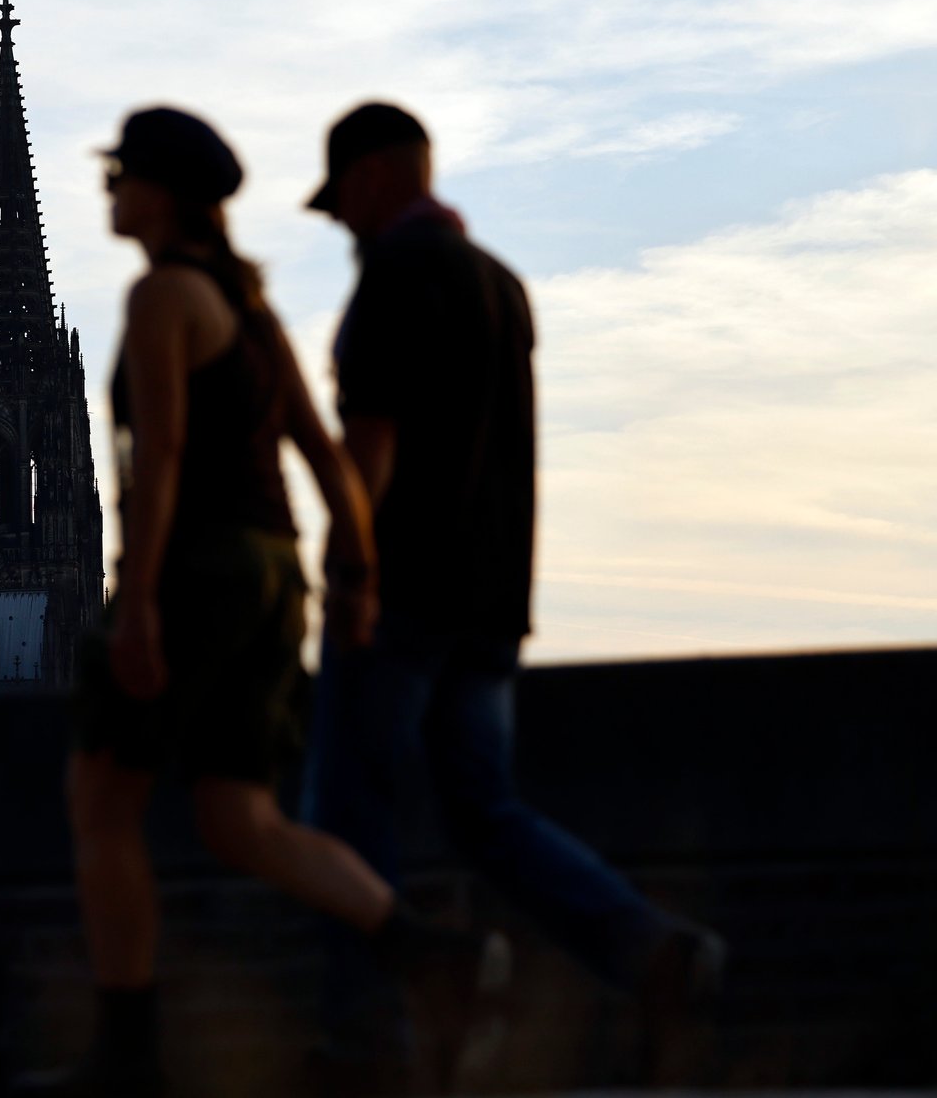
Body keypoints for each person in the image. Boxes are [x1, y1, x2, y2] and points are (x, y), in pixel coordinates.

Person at [20, 107, 505, 1098]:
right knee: (240, 817)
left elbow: (155, 457)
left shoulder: (162, 295)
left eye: (118, 175)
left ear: (159, 194)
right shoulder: (252, 312)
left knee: (100, 799)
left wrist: (140, 601)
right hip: (273, 573)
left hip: (196, 565)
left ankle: (125, 1055)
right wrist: (355, 574)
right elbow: (325, 460)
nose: (107, 190)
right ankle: (430, 952)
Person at [298, 101, 726, 1086]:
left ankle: (369, 1035)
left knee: (343, 811)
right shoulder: (501, 284)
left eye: (339, 203)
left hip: (398, 594)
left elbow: (372, 445)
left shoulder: (393, 276)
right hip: (488, 604)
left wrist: (346, 571)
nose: (338, 225)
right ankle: (650, 949)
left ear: (369, 177)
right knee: (485, 810)